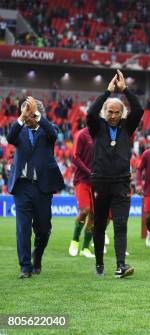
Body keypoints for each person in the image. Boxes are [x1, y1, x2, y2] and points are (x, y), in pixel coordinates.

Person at [87, 70, 144, 278]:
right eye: (109, 112)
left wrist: (125, 90)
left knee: (120, 223)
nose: (112, 115)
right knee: (100, 224)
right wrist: (107, 92)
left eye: (116, 112)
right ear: (105, 113)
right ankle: (99, 263)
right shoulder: (97, 126)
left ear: (122, 114)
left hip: (121, 182)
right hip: (100, 182)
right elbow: (90, 114)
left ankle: (121, 265)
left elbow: (139, 109)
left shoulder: (127, 128)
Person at [8, 97, 64, 278]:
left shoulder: (48, 131)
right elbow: (9, 137)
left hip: (42, 187)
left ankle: (37, 255)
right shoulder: (19, 132)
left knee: (43, 229)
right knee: (23, 228)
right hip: (22, 187)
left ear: (38, 114)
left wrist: (37, 116)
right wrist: (22, 117)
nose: (27, 118)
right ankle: (25, 266)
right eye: (25, 113)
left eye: (31, 114)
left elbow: (54, 134)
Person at [68, 126, 95, 258]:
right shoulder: (82, 134)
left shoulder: (103, 135)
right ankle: (75, 240)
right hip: (82, 180)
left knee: (94, 215)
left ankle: (85, 248)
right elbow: (74, 157)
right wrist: (89, 171)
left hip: (98, 182)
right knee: (85, 210)